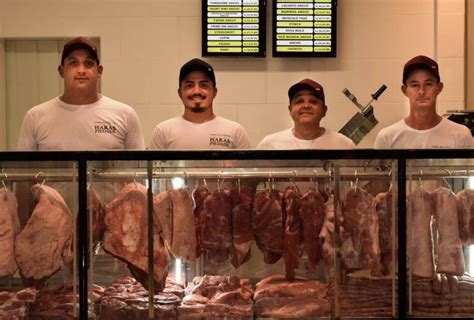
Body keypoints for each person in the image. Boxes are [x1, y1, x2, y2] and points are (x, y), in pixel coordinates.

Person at [17, 36, 145, 151]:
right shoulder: (35, 117)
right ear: (61, 71)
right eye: (73, 63)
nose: (81, 70)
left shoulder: (125, 115)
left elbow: (139, 171)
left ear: (99, 71)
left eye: (88, 63)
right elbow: (23, 173)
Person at [149, 58, 251, 149]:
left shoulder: (235, 132)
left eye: (204, 85)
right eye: (189, 85)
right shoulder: (163, 132)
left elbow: (247, 169)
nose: (196, 91)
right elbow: (152, 169)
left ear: (214, 92)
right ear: (180, 93)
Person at [374, 55, 472, 149]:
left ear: (439, 88)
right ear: (404, 90)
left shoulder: (461, 135)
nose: (421, 91)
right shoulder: (387, 138)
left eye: (428, 84)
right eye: (415, 85)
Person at [257, 78, 355, 149]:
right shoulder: (269, 144)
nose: (306, 106)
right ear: (290, 110)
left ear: (324, 110)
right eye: (299, 101)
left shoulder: (344, 145)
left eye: (313, 101)